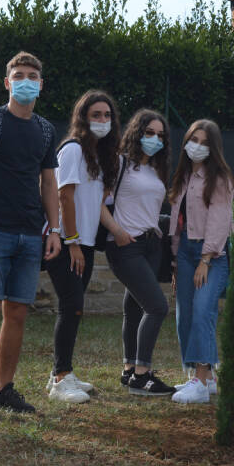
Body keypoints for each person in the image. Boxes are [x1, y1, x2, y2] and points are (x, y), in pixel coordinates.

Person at [0, 51, 60, 419]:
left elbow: (48, 181)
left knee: (16, 313)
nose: (26, 80)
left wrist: (55, 230)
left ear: (41, 84)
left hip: (32, 235)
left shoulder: (46, 129)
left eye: (32, 75)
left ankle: (3, 390)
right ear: (7, 82)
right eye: (19, 74)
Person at [43, 90, 122, 403]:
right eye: (96, 115)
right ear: (83, 118)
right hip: (66, 242)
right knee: (71, 305)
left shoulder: (99, 157)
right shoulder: (73, 149)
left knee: (74, 308)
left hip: (85, 243)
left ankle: (62, 372)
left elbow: (96, 200)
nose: (102, 121)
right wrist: (72, 243)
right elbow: (64, 197)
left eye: (107, 116)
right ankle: (61, 377)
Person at [100, 109, 176, 396]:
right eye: (149, 133)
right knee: (157, 307)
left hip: (150, 244)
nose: (155, 139)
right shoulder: (119, 164)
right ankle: (143, 376)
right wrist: (118, 231)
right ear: (136, 133)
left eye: (160, 135)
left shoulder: (156, 169)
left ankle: (130, 368)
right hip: (124, 245)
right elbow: (98, 203)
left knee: (133, 308)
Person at [167, 119, 234, 405]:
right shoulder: (182, 176)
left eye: (205, 142)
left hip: (211, 255)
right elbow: (177, 222)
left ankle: (202, 379)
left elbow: (220, 221)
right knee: (184, 316)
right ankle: (202, 378)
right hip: (183, 253)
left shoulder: (220, 178)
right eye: (194, 140)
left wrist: (205, 259)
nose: (198, 146)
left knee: (202, 311)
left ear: (214, 147)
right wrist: (174, 261)